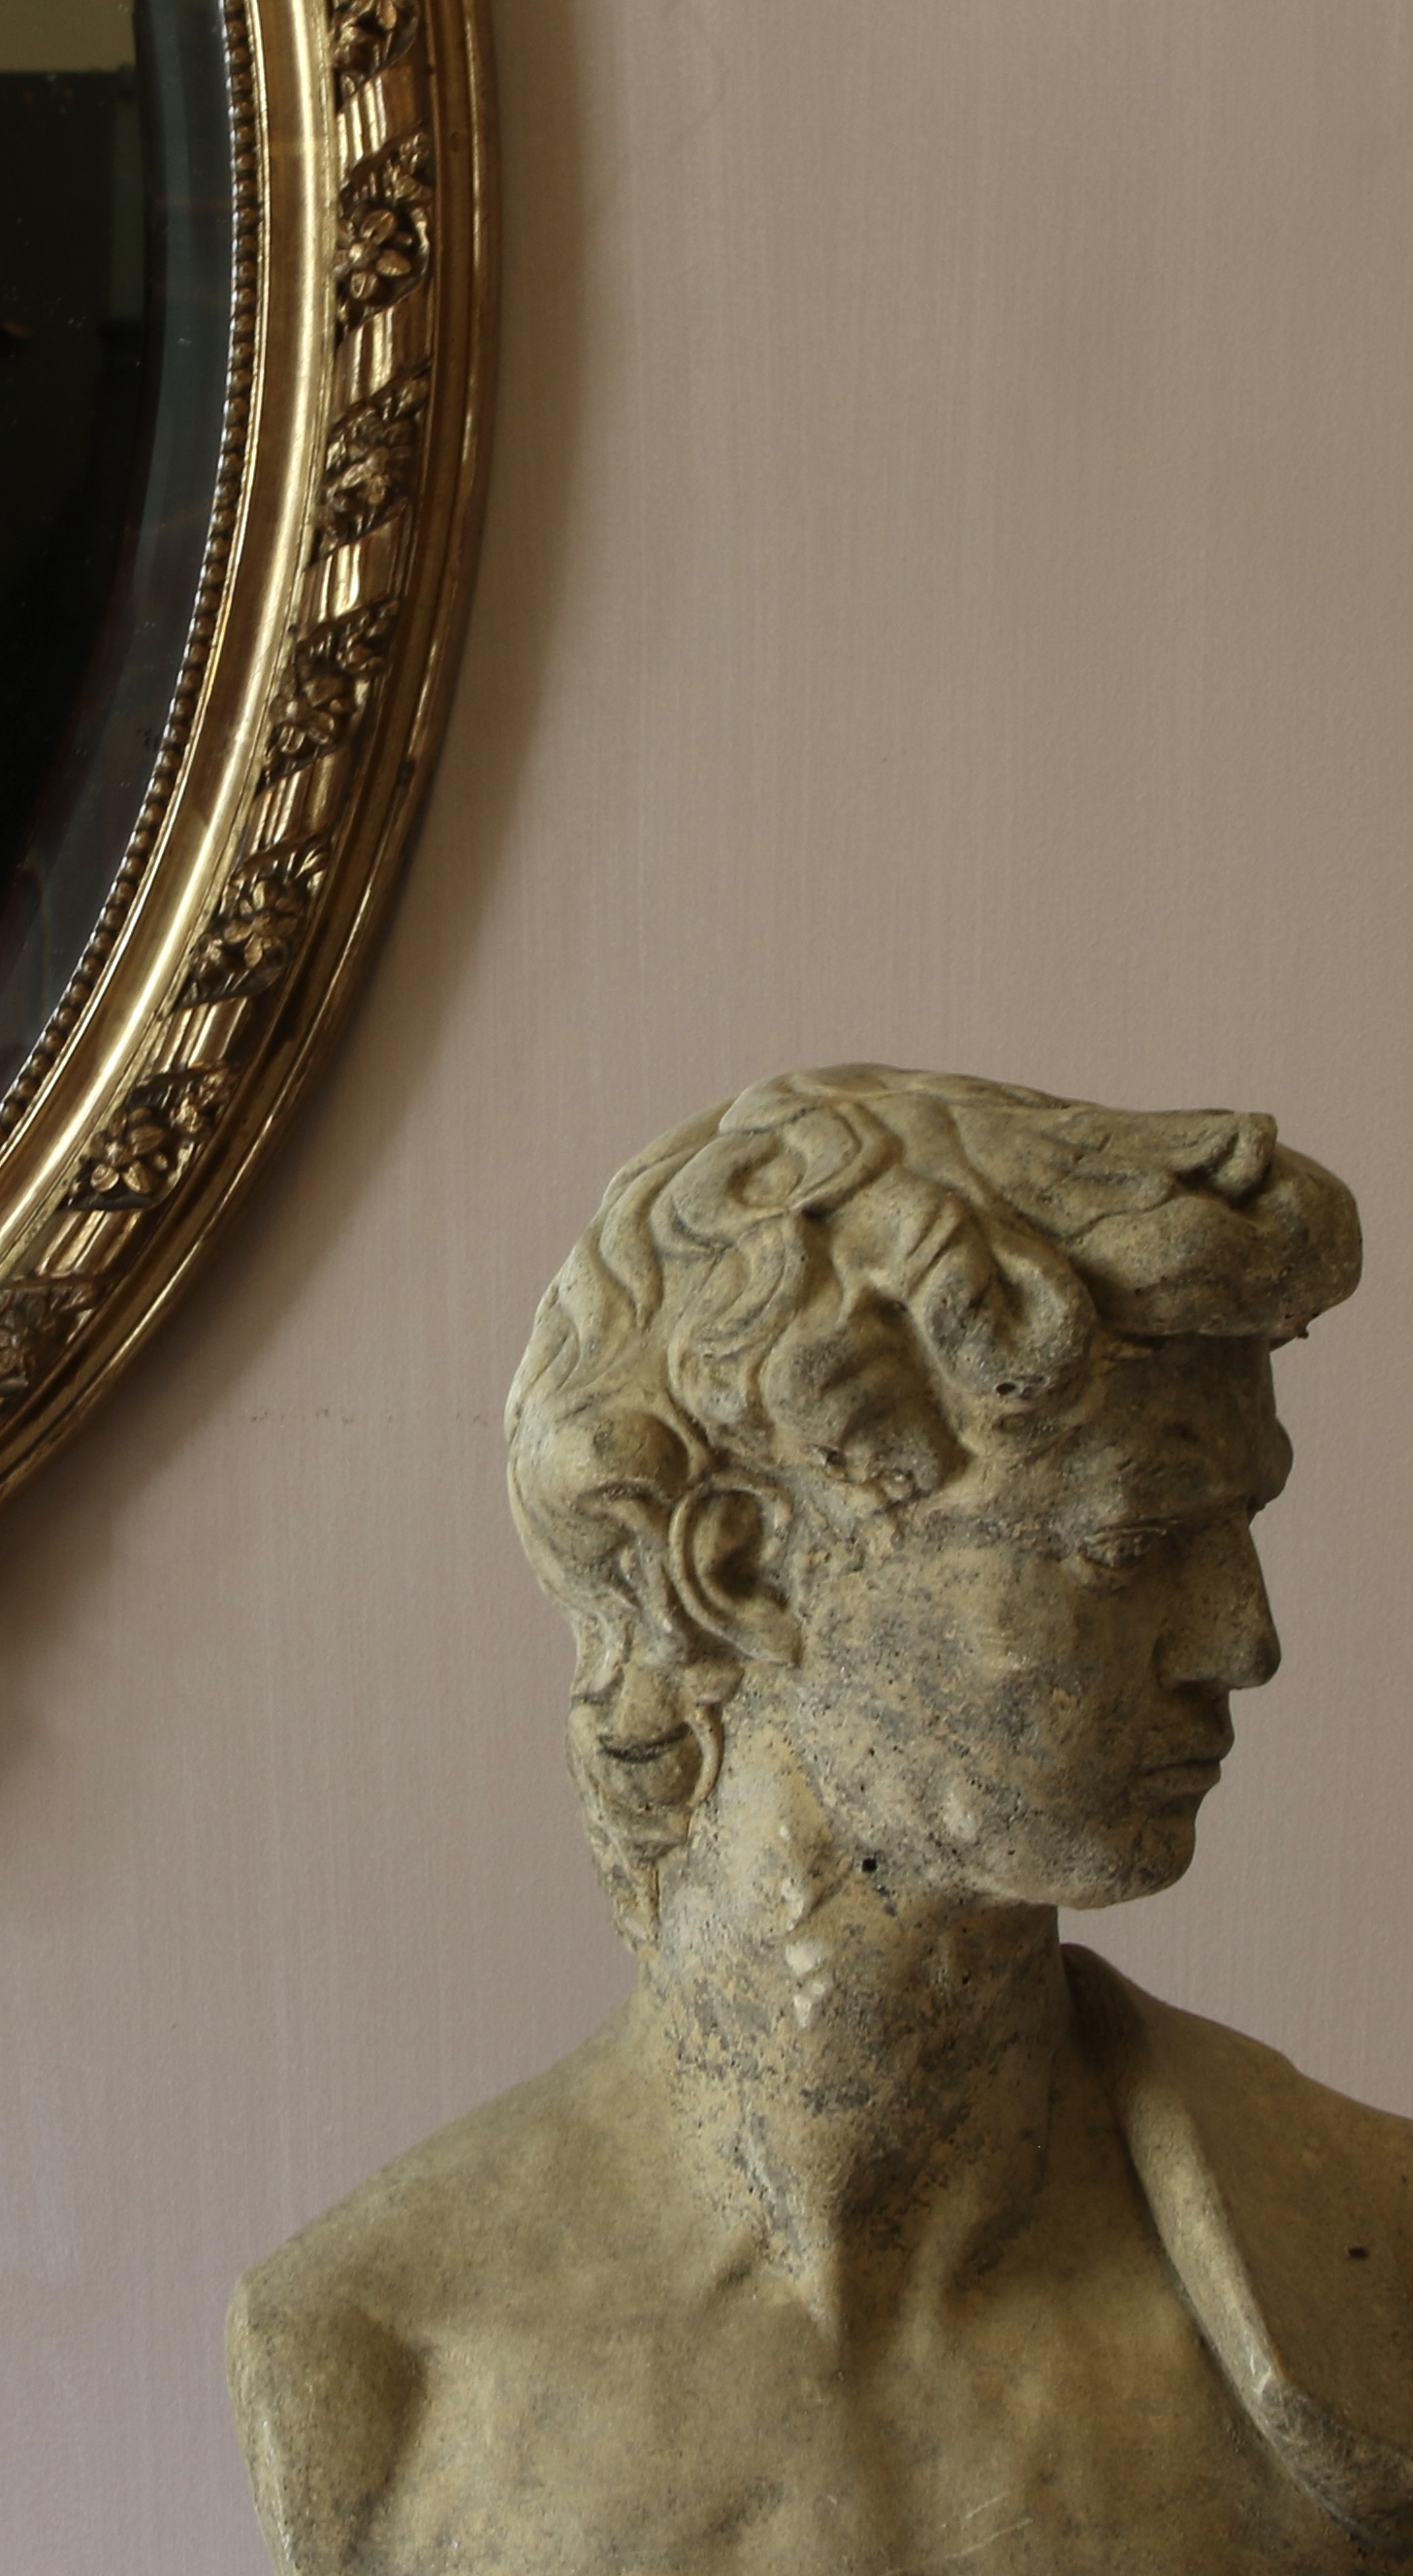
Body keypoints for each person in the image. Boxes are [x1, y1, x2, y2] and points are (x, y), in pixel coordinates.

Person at [231, 1067, 1413, 2573]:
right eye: (1130, 1544)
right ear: (739, 1568)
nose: (1245, 1641)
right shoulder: (382, 2363)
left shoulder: (1362, 2263)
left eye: (1240, 1533)